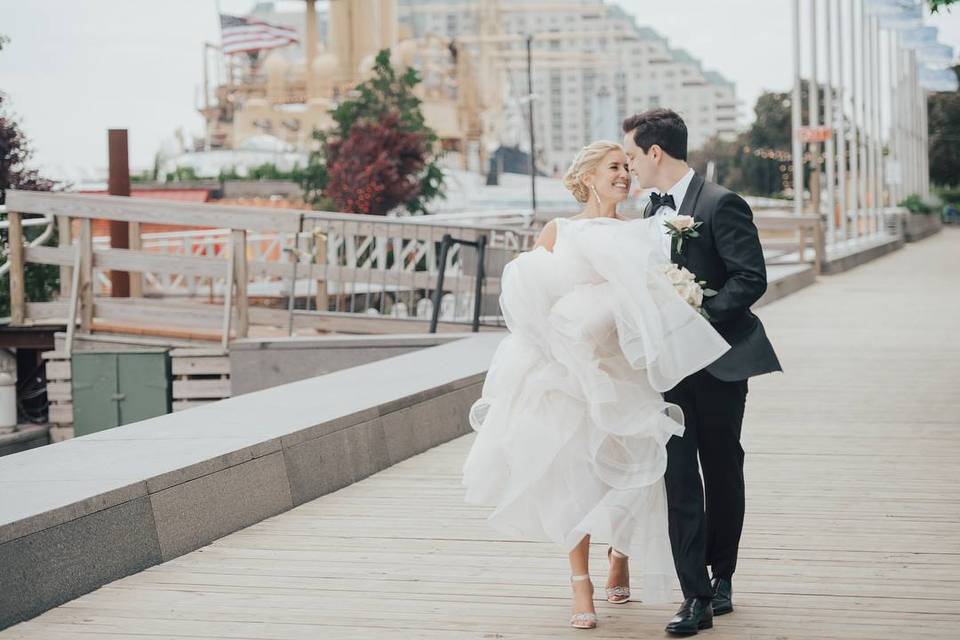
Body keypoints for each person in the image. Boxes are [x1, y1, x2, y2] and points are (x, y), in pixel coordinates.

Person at [462, 141, 731, 630]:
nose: (625, 175)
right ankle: (579, 582)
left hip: (626, 371)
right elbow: (529, 296)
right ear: (587, 176)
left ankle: (621, 552)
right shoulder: (559, 230)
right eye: (615, 168)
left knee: (634, 469)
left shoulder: (645, 232)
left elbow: (652, 300)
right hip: (570, 373)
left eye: (628, 167)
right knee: (575, 472)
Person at [622, 109, 782, 636]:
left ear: (655, 153)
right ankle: (694, 596)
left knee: (721, 468)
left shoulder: (720, 204)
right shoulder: (645, 212)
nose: (628, 167)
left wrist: (696, 314)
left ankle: (722, 578)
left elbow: (750, 278)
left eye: (631, 156)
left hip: (717, 361)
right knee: (677, 476)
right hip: (667, 367)